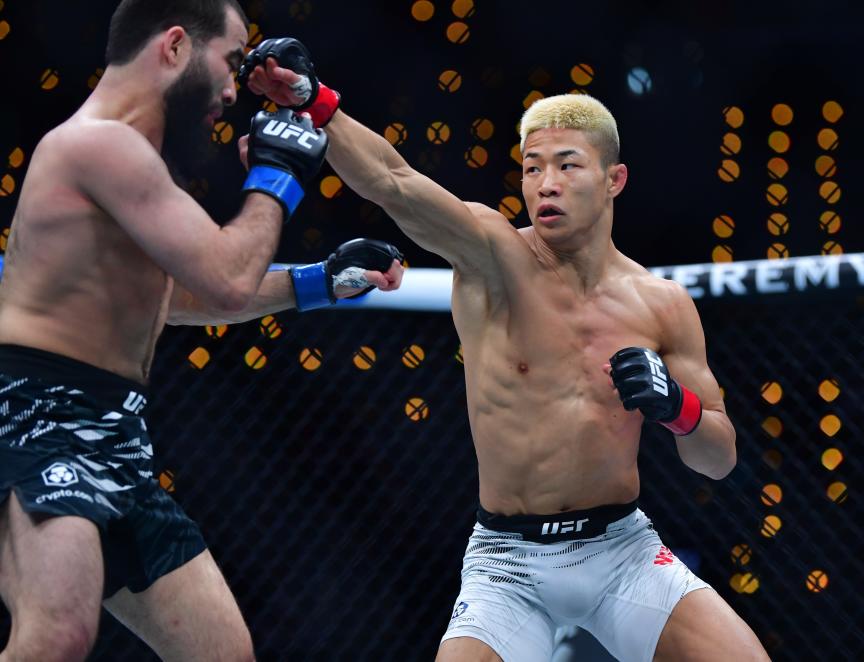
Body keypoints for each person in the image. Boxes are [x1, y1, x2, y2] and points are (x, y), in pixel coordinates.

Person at [241, 39, 769, 662]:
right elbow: (392, 181)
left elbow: (718, 458)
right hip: (508, 564)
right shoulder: (492, 255)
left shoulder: (660, 304)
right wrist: (317, 104)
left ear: (614, 178)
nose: (545, 184)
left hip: (621, 551)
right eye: (531, 167)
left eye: (568, 166)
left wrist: (675, 408)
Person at [0, 2, 403, 660]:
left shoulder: (138, 161)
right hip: (39, 416)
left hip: (115, 431)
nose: (230, 89)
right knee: (56, 637)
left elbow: (182, 298)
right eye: (231, 62)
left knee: (222, 654)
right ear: (175, 45)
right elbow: (227, 278)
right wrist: (277, 176)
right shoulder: (101, 145)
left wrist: (320, 281)